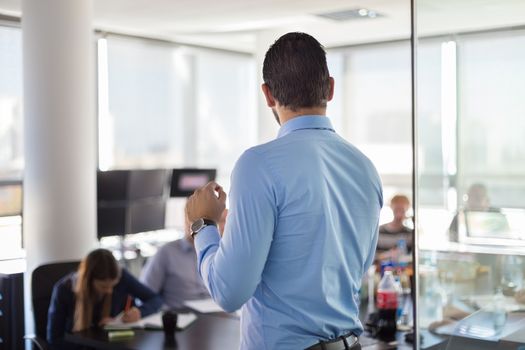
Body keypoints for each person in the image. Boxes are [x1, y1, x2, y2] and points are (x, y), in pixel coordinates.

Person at [185, 32, 383, 350]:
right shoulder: (365, 168)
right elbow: (354, 268)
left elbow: (228, 292)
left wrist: (203, 226)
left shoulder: (258, 165)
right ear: (330, 88)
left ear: (267, 94)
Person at [47, 248, 162, 349]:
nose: (110, 291)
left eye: (113, 285)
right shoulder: (64, 290)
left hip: (114, 345)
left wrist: (139, 312)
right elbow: (54, 339)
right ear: (88, 281)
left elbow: (155, 300)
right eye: (104, 286)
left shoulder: (122, 277)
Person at [140, 208, 227, 308]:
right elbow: (145, 295)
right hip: (180, 315)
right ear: (185, 220)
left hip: (216, 314)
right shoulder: (166, 252)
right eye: (193, 219)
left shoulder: (220, 252)